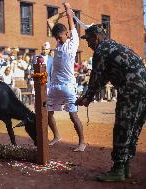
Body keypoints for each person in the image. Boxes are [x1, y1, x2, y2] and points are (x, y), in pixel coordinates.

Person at [76, 24, 146, 182]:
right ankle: (126, 165)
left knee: (123, 126)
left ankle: (118, 169)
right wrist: (89, 96)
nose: (88, 44)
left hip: (131, 89)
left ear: (96, 37)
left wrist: (87, 97)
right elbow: (105, 76)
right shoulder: (116, 46)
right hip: (143, 88)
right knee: (133, 126)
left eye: (88, 40)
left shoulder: (102, 50)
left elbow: (96, 77)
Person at [47, 2, 86, 152]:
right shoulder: (58, 43)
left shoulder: (73, 41)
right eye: (56, 37)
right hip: (55, 86)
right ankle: (56, 136)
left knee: (73, 115)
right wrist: (62, 13)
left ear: (67, 34)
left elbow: (71, 19)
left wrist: (68, 9)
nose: (58, 39)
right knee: (48, 113)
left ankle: (82, 142)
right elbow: (49, 21)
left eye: (60, 37)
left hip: (68, 86)